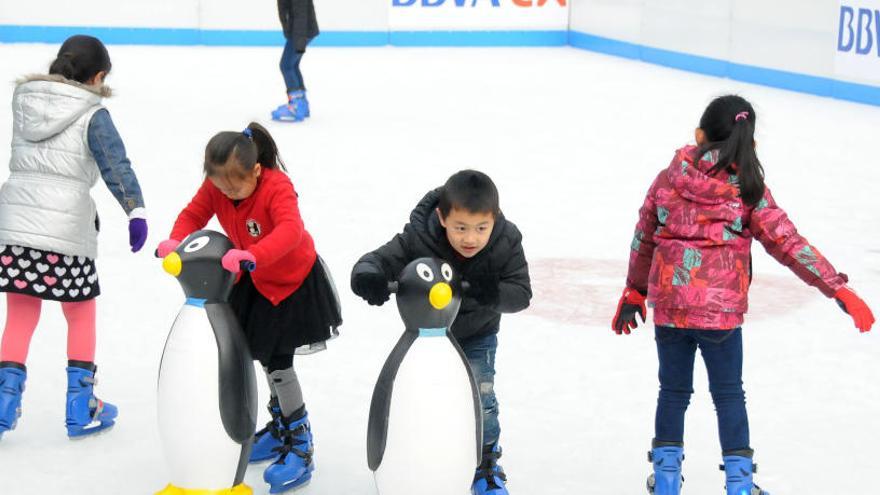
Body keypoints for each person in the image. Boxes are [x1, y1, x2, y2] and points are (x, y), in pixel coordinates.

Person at [612, 95, 875, 495]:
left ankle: (666, 480)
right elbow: (788, 242)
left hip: (669, 309)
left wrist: (635, 289)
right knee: (729, 394)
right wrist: (835, 286)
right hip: (720, 314)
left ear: (699, 135)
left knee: (673, 391)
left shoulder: (669, 178)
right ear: (750, 143)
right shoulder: (748, 188)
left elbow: (643, 236)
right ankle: (739, 483)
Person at [156, 122, 341, 492]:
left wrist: (253, 255)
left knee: (279, 363)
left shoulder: (277, 186)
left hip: (290, 284)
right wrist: (176, 241)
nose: (226, 192)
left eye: (235, 186)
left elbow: (290, 231)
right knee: (263, 358)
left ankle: (300, 442)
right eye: (220, 185)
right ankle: (279, 426)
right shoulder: (217, 184)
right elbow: (194, 213)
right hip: (251, 279)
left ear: (256, 171)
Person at [0, 34, 148, 440]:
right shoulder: (93, 113)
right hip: (65, 228)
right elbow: (115, 163)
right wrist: (135, 209)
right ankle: (80, 406)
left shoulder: (25, 101)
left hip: (15, 224)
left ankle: (2, 404)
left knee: (21, 312)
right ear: (99, 77)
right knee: (79, 310)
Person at [351, 170, 531, 495]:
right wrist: (369, 276)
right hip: (425, 341)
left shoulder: (506, 241)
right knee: (420, 397)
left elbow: (521, 292)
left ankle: (486, 463)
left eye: (481, 228)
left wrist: (494, 293)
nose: (471, 239)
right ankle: (418, 453)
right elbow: (377, 259)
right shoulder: (420, 238)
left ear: (495, 219)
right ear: (442, 218)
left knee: (481, 396)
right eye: (460, 228)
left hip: (477, 335)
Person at [271, 0, 320, 122]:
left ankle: (296, 106)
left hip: (300, 32)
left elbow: (301, 14)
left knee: (286, 65)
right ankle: (302, 104)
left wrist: (299, 41)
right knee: (292, 65)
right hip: (299, 31)